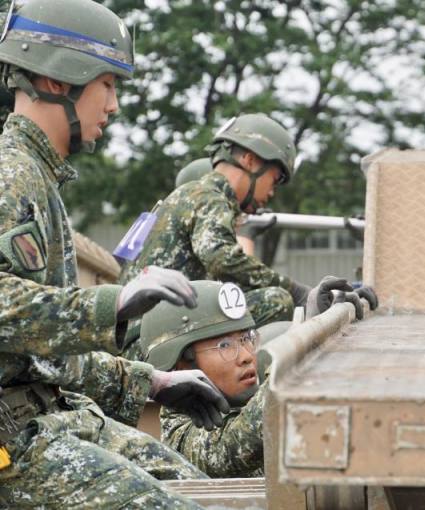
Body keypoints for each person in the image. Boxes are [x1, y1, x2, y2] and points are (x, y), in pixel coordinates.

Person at [0, 1, 232, 506]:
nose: (114, 105)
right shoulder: (11, 174)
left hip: (47, 419)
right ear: (59, 79)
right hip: (12, 442)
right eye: (107, 83)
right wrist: (115, 303)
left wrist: (153, 382)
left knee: (210, 494)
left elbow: (45, 357)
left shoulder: (37, 176)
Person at [118, 113, 374, 353]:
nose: (271, 192)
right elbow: (222, 260)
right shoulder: (208, 197)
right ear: (249, 160)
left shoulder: (190, 195)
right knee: (275, 300)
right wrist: (300, 294)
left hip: (144, 336)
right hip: (151, 342)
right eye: (274, 179)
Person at [139, 279, 376, 477]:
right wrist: (309, 336)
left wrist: (333, 322)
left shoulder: (243, 391)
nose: (246, 356)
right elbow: (235, 444)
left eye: (246, 339)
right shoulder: (180, 434)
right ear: (180, 364)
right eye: (224, 345)